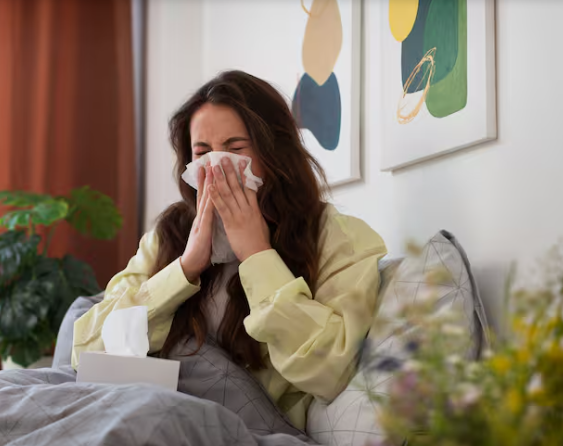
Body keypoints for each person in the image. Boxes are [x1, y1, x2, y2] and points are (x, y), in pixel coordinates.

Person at [72, 70, 387, 430]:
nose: (217, 168)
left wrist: (257, 255)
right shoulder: (169, 235)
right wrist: (185, 268)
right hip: (144, 410)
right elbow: (86, 351)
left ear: (273, 154)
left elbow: (330, 370)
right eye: (202, 153)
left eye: (236, 150)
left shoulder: (336, 237)